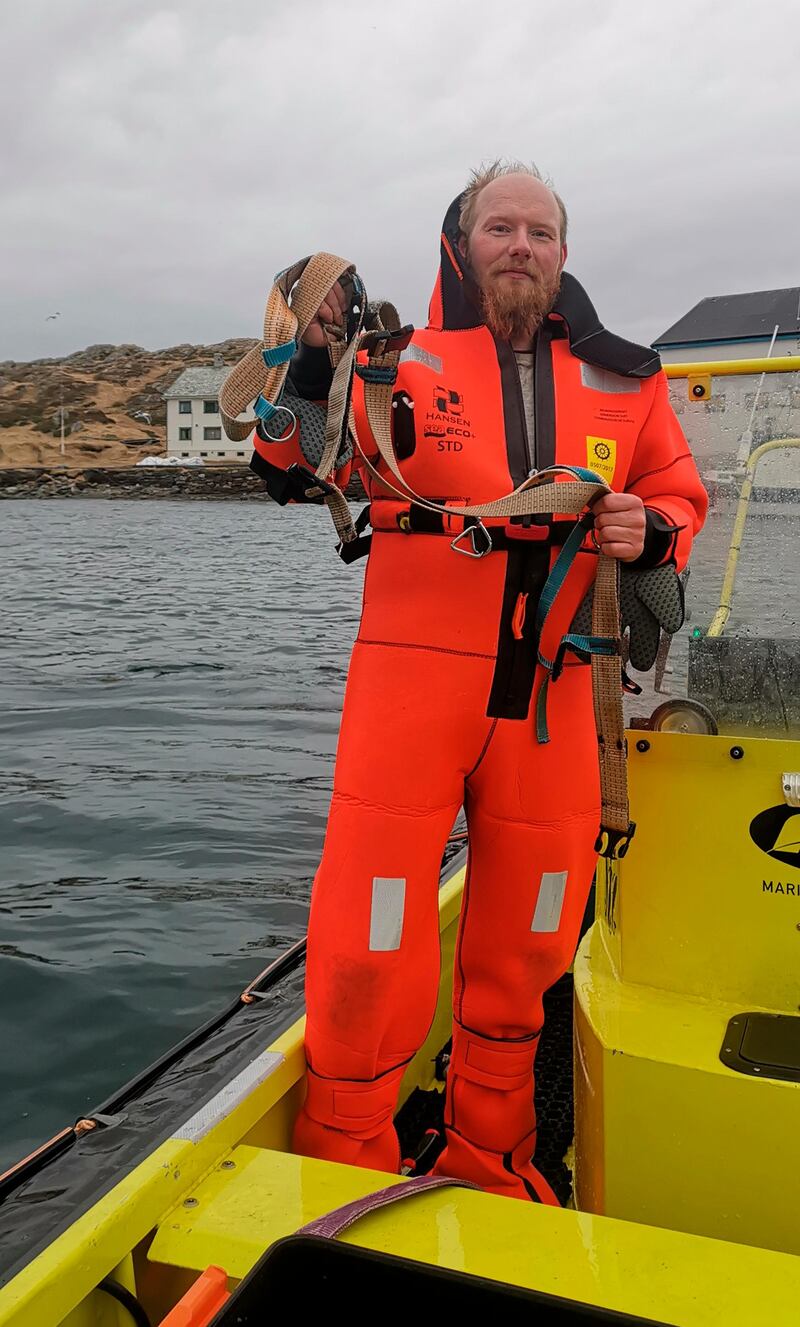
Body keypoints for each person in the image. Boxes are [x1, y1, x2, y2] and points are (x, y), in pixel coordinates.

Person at [252, 161, 708, 1203]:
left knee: (529, 945)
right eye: (497, 227)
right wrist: (311, 360)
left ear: (561, 253)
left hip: (552, 704)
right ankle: (343, 1168)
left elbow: (680, 495)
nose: (519, 245)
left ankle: (491, 1160)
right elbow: (288, 466)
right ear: (461, 246)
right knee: (367, 947)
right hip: (405, 702)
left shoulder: (628, 381)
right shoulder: (393, 364)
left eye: (538, 231)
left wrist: (651, 531)